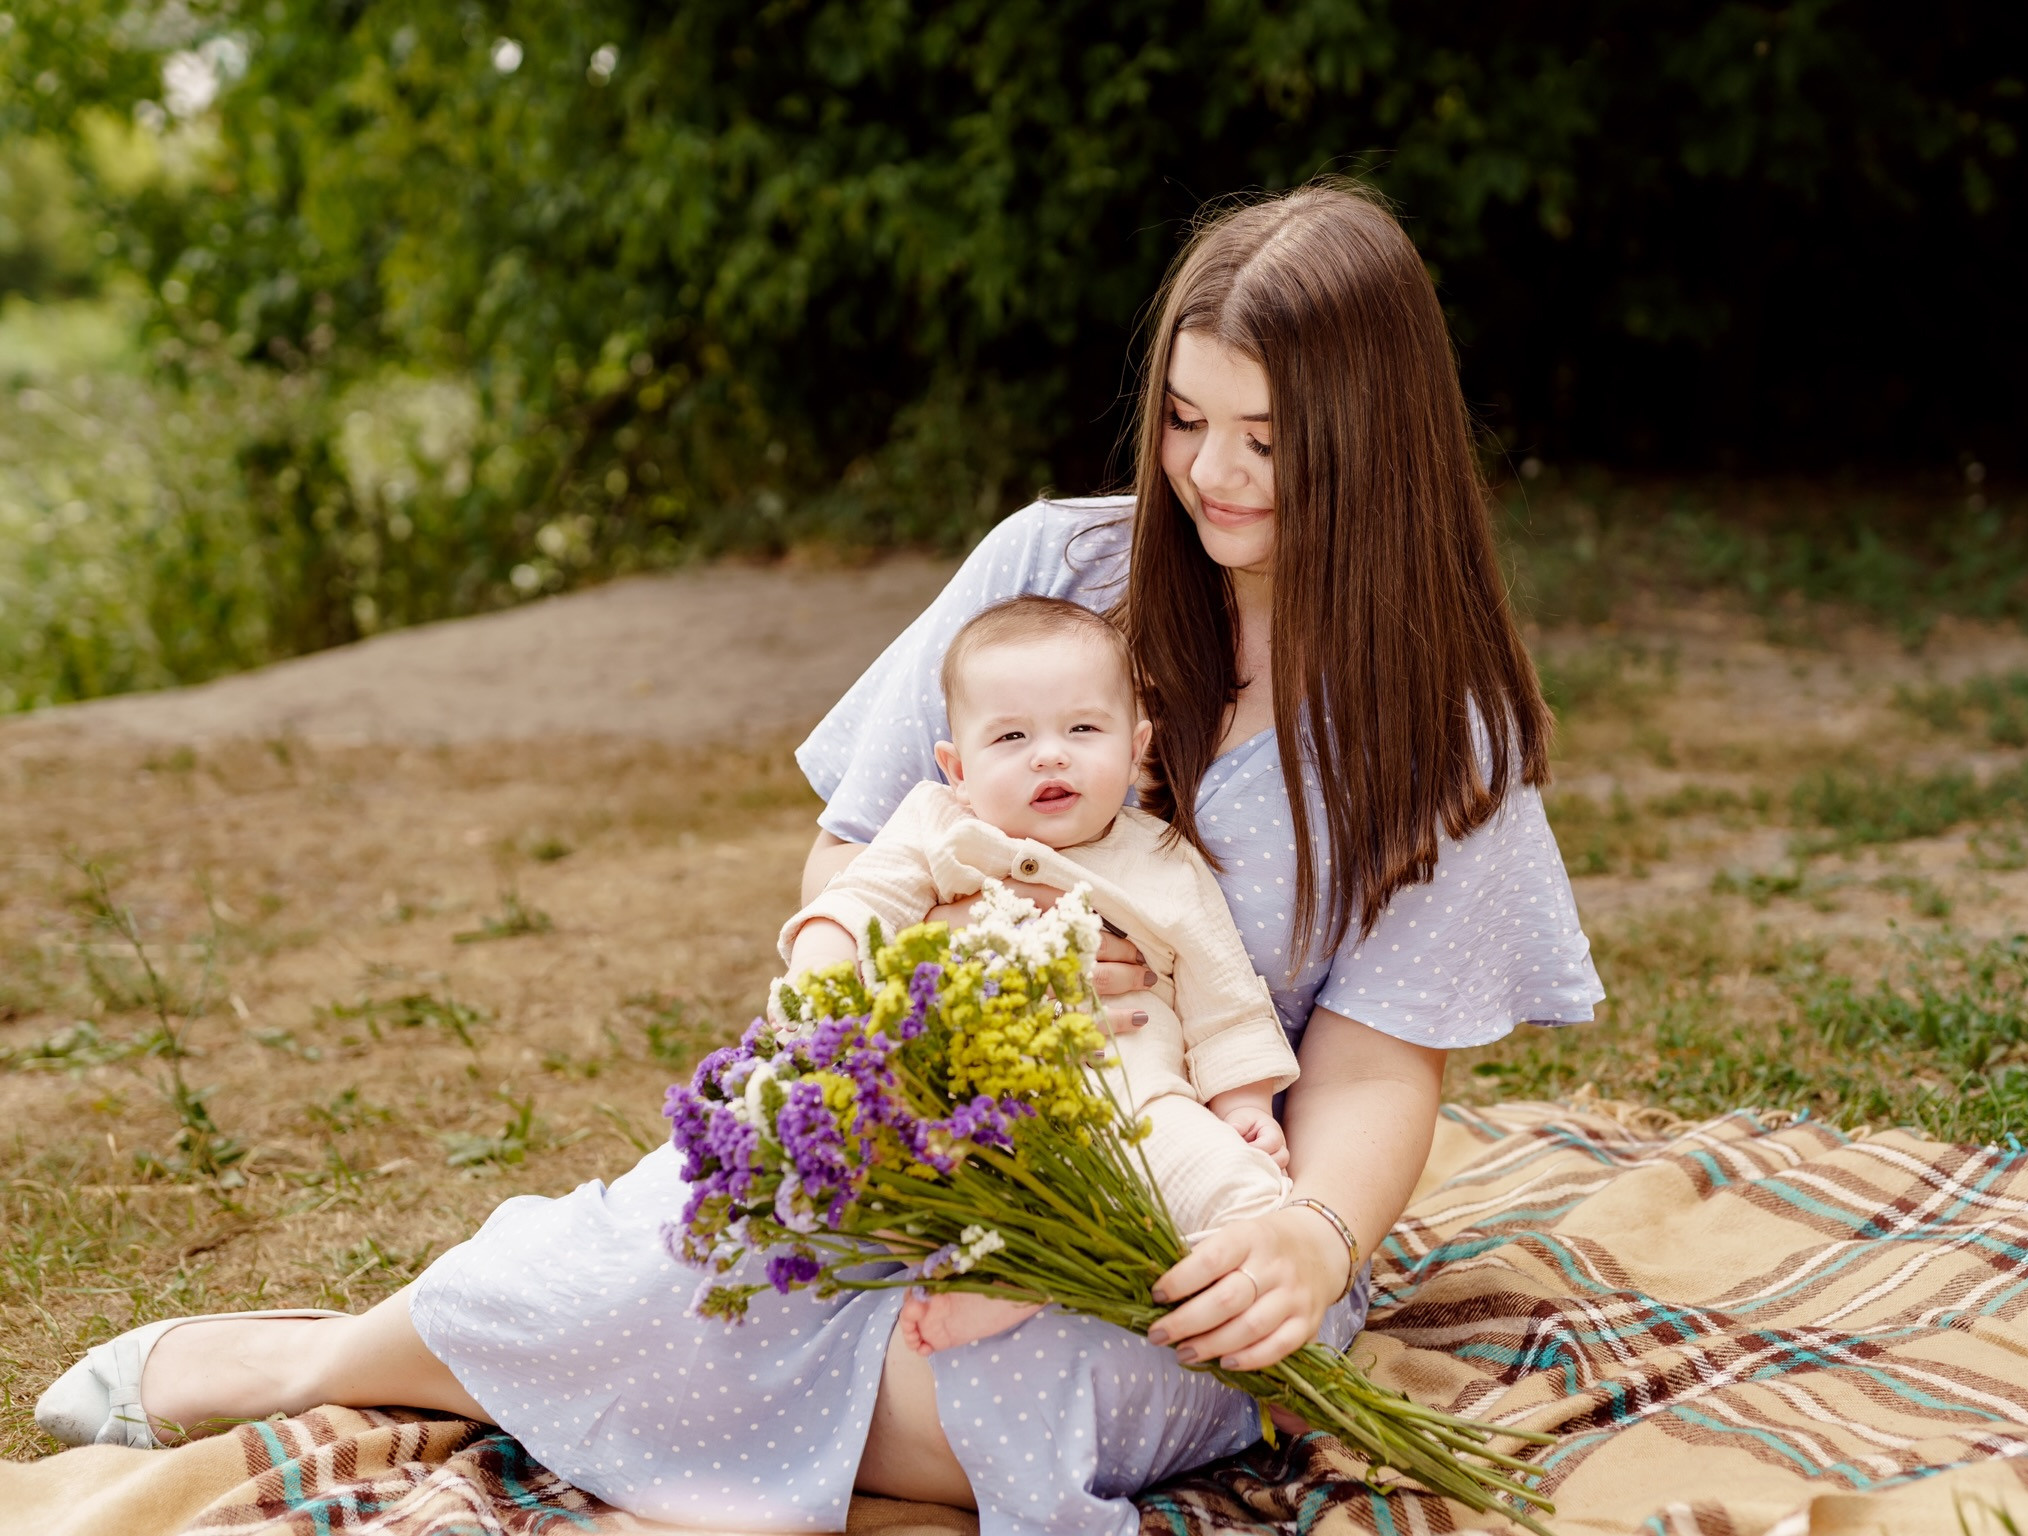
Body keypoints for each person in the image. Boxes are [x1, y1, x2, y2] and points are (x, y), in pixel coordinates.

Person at [37, 182, 1603, 1536]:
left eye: (1268, 436)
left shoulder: (1438, 734)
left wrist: (1306, 1237)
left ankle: (559, 1370)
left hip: (1203, 1209)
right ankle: (319, 1361)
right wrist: (901, 1053)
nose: (1213, 473)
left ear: (1374, 436)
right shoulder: (1055, 571)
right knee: (703, 1262)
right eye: (1186, 420)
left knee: (1009, 1400)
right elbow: (856, 846)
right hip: (948, 1122)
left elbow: (1382, 1066)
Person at [784, 593, 1303, 1354]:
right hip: (973, 1110)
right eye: (1012, 736)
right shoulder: (938, 827)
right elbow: (860, 900)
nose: (1050, 755)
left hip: (1136, 1103)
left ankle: (1275, 1354)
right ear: (958, 769)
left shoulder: (1161, 858)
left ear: (1136, 750)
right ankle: (999, 1271)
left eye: (1083, 729)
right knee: (891, 1174)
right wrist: (820, 984)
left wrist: (1244, 1101)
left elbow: (1222, 994)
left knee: (1247, 1196)